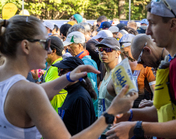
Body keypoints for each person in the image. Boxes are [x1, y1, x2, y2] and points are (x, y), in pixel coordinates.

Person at [0, 15, 137, 139]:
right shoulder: (29, 92)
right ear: (26, 46)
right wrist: (111, 112)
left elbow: (38, 91)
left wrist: (69, 77)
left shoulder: (8, 80)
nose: (49, 50)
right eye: (45, 43)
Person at [106, 0, 176, 139]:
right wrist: (129, 115)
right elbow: (165, 111)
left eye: (153, 23)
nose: (148, 31)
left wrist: (136, 127)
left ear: (173, 24)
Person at [53, 57, 96, 135]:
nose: (59, 75)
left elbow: (83, 133)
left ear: (76, 73)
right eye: (58, 71)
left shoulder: (80, 98)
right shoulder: (71, 92)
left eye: (62, 71)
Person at [63, 31, 99, 117]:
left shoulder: (85, 63)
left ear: (79, 45)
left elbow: (90, 87)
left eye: (70, 46)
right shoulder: (87, 60)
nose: (68, 49)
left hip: (87, 108)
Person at [95, 37, 123, 139]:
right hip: (102, 131)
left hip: (114, 132)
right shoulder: (106, 73)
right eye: (101, 50)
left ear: (118, 53)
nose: (103, 53)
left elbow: (127, 105)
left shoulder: (119, 75)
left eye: (108, 50)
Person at [42, 36, 67, 113]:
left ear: (53, 51)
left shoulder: (56, 68)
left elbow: (47, 93)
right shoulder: (58, 64)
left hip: (56, 112)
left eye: (45, 50)